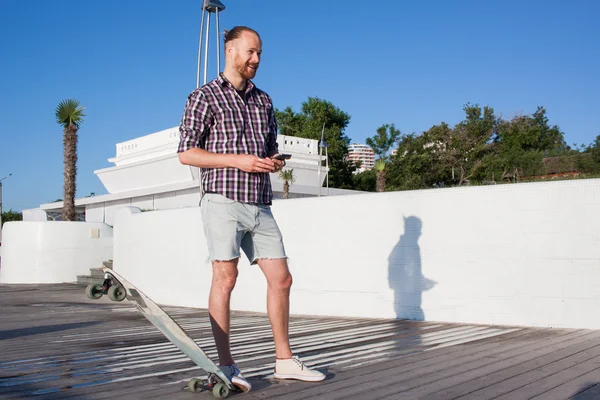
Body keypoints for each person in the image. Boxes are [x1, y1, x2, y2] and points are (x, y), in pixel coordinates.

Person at [177, 26, 325, 392]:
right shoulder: (204, 96)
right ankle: (225, 366)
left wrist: (272, 161)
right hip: (222, 199)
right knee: (225, 279)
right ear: (230, 51)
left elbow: (268, 146)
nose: (256, 60)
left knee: (282, 279)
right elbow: (186, 153)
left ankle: (285, 360)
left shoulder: (264, 101)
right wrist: (237, 161)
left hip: (260, 202)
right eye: (250, 52)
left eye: (260, 53)